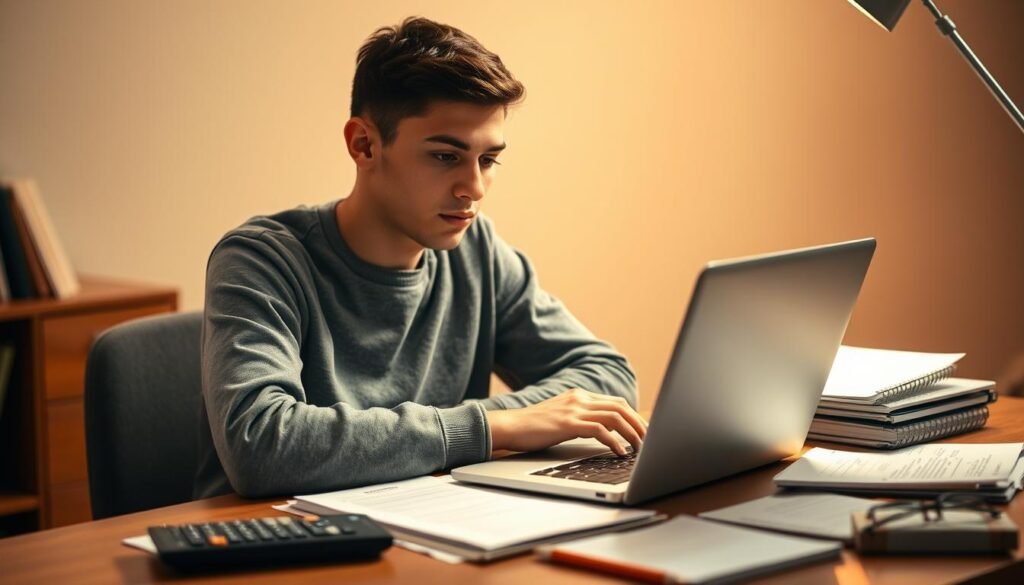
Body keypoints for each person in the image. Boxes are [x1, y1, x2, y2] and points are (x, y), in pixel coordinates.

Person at [194, 17, 645, 499]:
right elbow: (261, 444)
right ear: (363, 144)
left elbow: (608, 376)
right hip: (274, 546)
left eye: (488, 160)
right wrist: (494, 427)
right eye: (445, 156)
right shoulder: (261, 259)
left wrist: (503, 424)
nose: (473, 188)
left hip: (425, 526)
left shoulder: (477, 251)